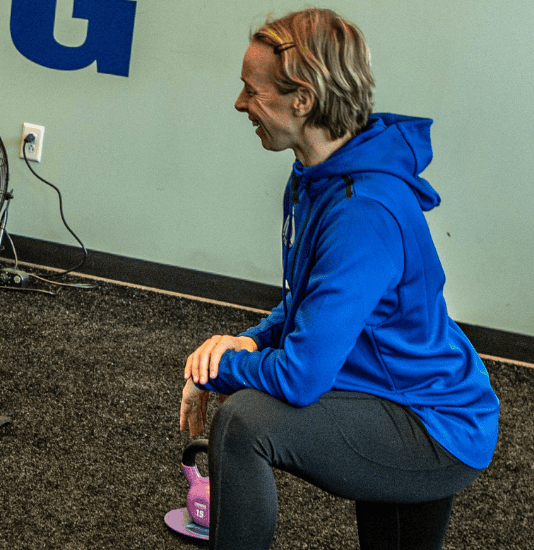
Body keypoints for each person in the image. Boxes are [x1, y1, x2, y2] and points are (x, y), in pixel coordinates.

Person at [177, 8, 501, 550]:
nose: (240, 104)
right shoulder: (319, 176)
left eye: (251, 91)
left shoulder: (362, 211)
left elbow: (302, 376)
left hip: (430, 423)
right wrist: (250, 340)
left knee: (243, 423)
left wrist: (220, 370)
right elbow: (310, 303)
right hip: (400, 396)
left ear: (301, 100)